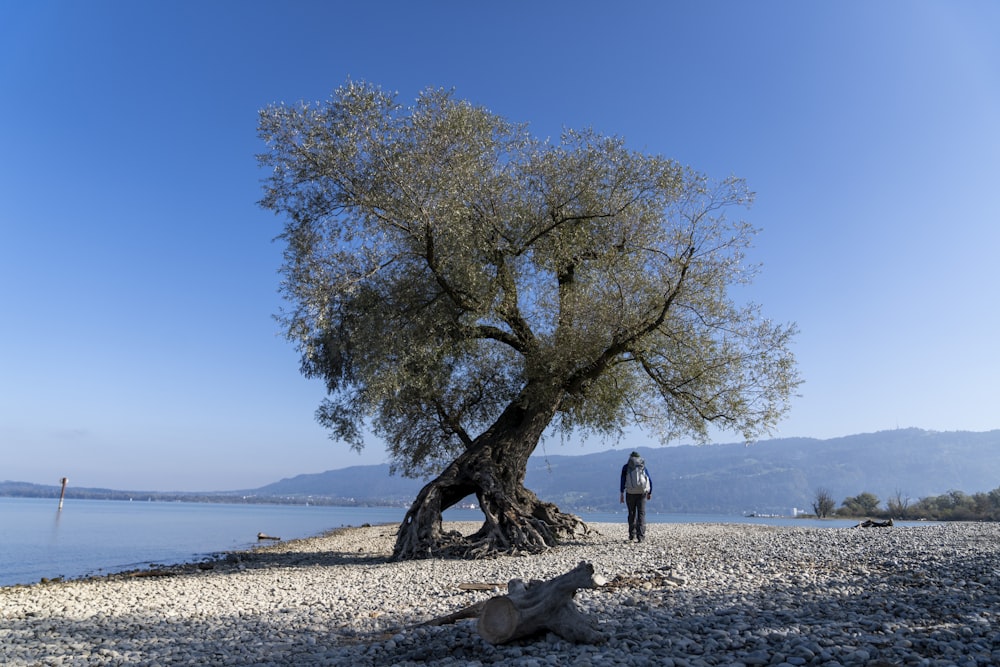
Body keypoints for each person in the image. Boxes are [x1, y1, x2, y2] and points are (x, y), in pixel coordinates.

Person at [620, 451, 652, 542]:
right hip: (642, 493)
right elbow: (649, 479)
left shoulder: (626, 467)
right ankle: (641, 536)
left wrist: (621, 493)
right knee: (641, 514)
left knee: (631, 513)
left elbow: (622, 480)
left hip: (630, 493)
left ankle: (632, 535)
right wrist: (650, 492)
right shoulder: (642, 467)